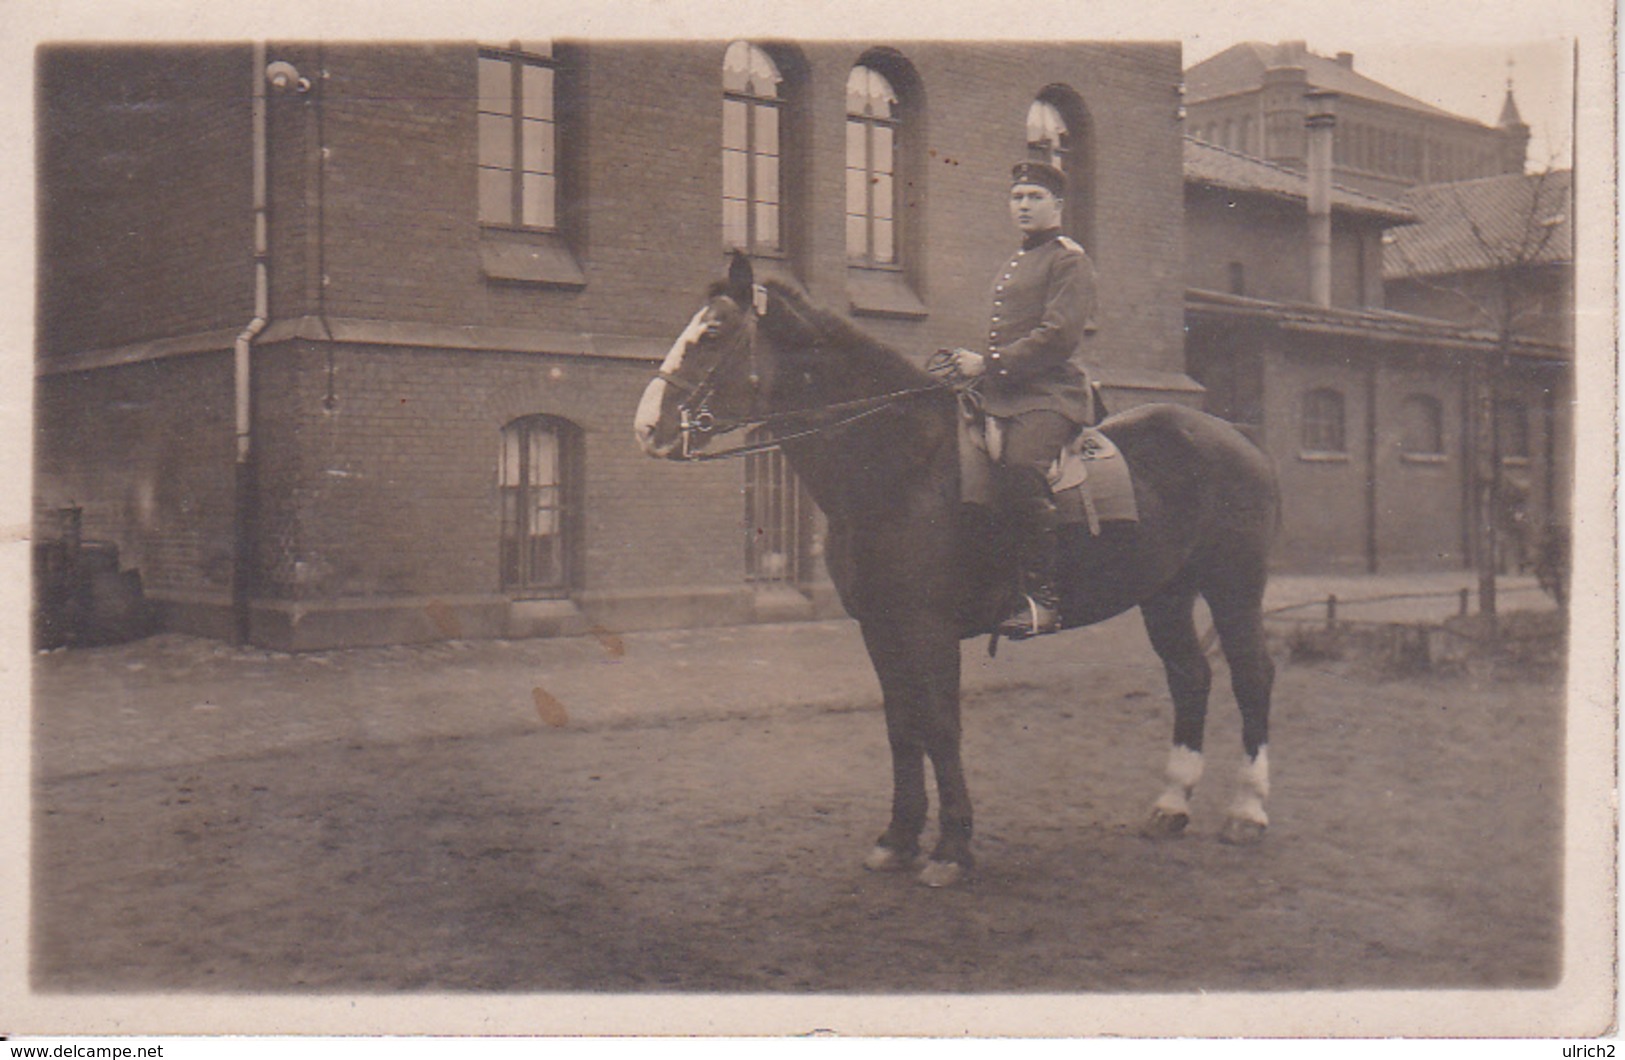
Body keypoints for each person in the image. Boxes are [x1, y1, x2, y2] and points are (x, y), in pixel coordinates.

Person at [951, 160, 1098, 638]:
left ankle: (1043, 599)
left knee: (1019, 468)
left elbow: (1058, 336)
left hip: (1050, 393)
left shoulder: (1068, 258)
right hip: (1003, 391)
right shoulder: (1015, 261)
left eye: (1034, 196)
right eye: (1017, 197)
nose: (1024, 205)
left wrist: (989, 364)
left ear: (1057, 204)